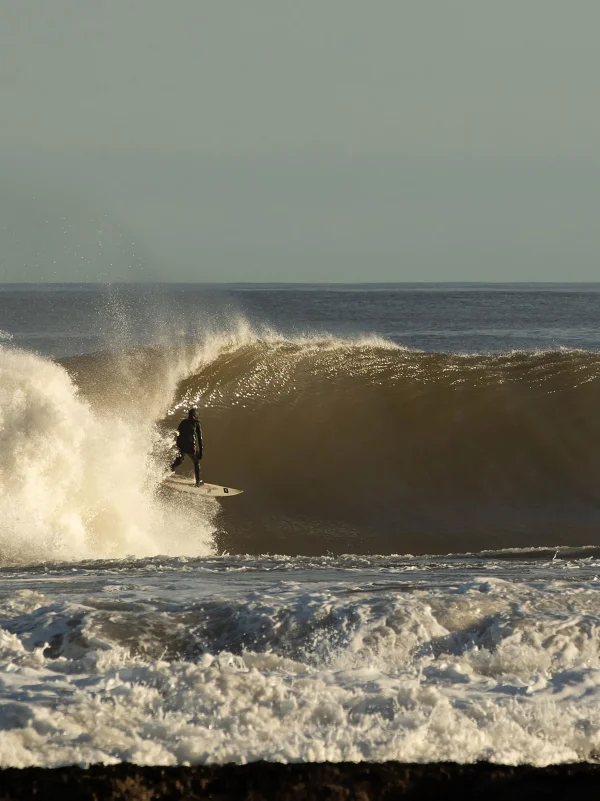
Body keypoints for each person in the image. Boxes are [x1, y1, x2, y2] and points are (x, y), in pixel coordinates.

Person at [170, 407, 204, 487]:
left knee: (179, 461)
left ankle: (166, 473)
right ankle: (198, 482)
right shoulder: (197, 423)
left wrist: (178, 446)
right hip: (190, 447)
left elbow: (178, 435)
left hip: (182, 446)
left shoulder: (183, 422)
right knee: (196, 463)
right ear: (195, 416)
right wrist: (201, 451)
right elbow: (200, 438)